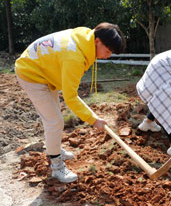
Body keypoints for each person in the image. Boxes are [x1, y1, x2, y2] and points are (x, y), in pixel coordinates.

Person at [15, 22, 126, 183]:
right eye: (108, 51)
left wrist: (93, 117)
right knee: (54, 121)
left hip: (44, 70)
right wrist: (93, 120)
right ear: (97, 41)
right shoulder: (74, 55)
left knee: (54, 118)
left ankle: (55, 149)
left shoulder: (84, 38)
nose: (108, 56)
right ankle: (57, 166)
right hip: (31, 74)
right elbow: (71, 97)